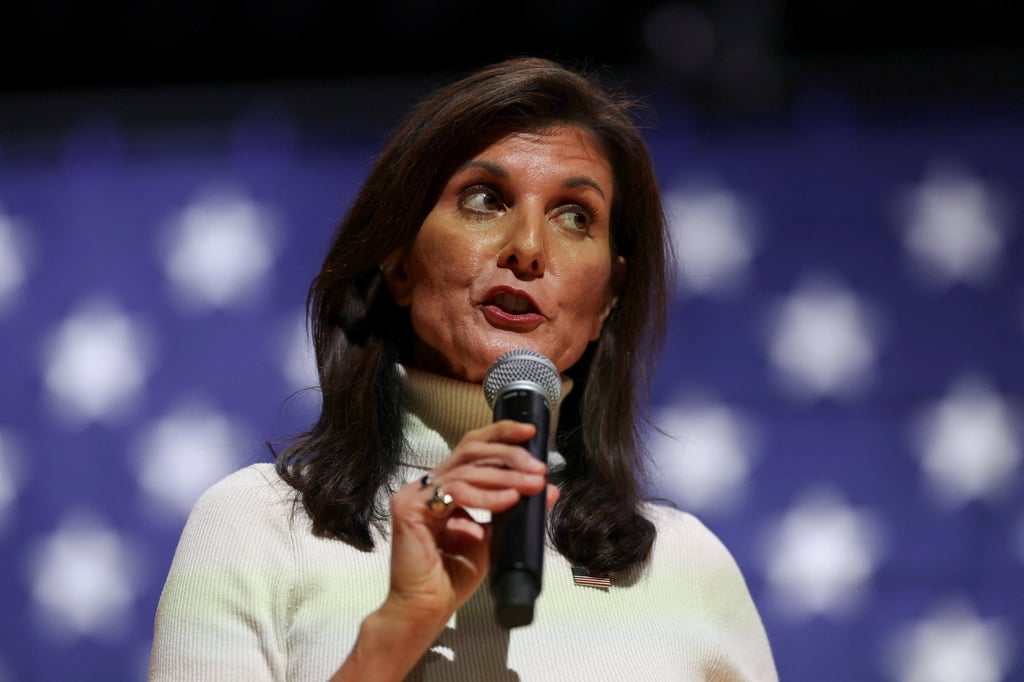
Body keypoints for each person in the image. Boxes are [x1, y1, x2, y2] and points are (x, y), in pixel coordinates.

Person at [149, 57, 777, 681]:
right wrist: (395, 630)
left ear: (607, 299)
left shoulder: (687, 567)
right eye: (484, 199)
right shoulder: (257, 527)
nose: (528, 248)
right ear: (399, 261)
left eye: (575, 216)